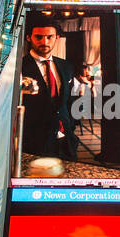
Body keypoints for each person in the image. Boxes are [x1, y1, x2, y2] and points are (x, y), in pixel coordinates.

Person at [20, 16, 78, 160]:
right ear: (28, 37)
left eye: (49, 37)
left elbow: (69, 101)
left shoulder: (66, 66)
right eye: (38, 37)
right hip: (34, 143)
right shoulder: (18, 68)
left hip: (66, 140)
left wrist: (71, 127)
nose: (44, 42)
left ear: (57, 37)